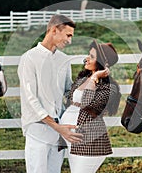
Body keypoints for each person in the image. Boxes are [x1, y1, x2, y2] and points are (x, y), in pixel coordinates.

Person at [17, 14, 83, 173]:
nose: (69, 40)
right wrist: (56, 127)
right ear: (54, 30)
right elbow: (30, 99)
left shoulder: (64, 60)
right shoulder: (29, 58)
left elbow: (69, 91)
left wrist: (92, 78)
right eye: (68, 35)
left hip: (59, 131)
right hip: (37, 129)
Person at [60, 39, 121, 173]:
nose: (86, 59)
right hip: (73, 140)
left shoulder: (109, 88)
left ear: (103, 63)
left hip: (89, 142)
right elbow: (71, 99)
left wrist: (94, 78)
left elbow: (86, 103)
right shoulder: (83, 78)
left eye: (92, 57)